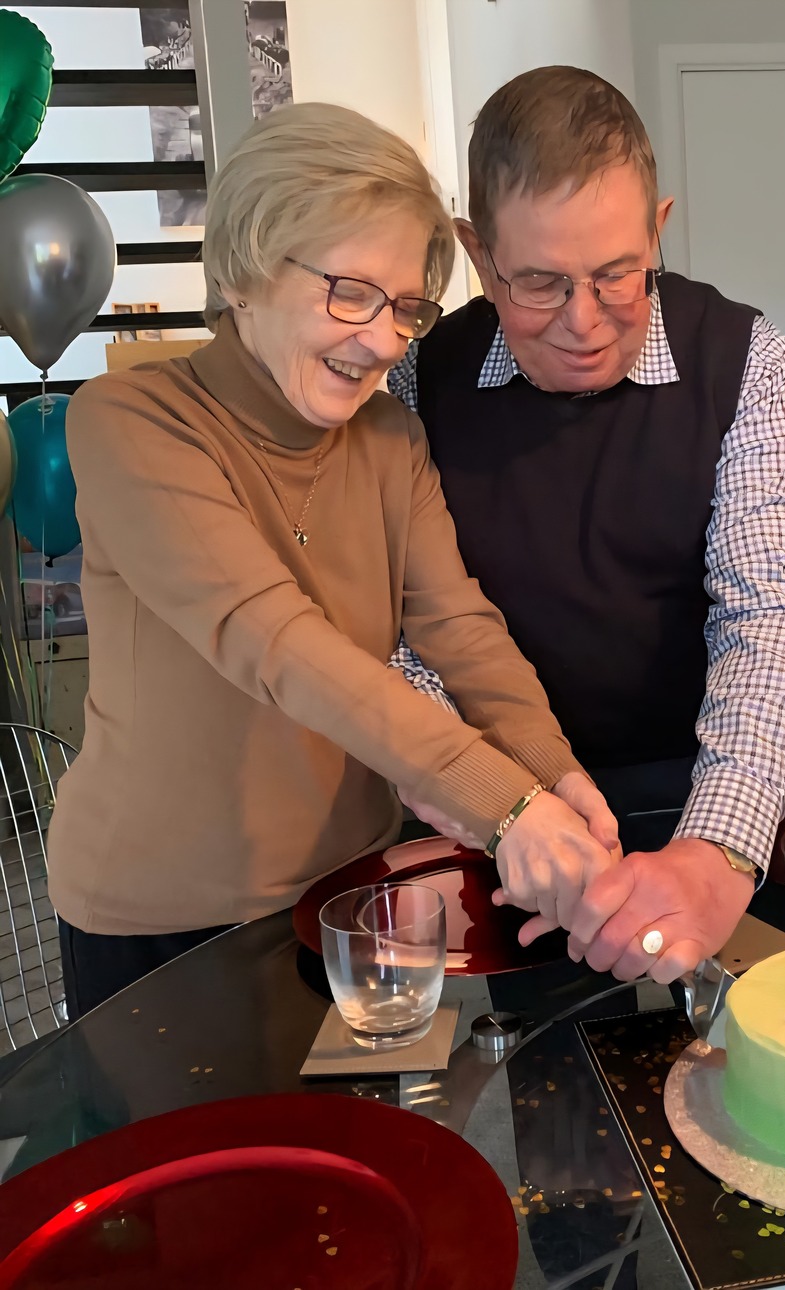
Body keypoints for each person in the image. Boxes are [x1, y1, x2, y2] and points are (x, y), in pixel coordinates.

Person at [47, 101, 619, 1020]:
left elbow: (461, 630)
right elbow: (275, 643)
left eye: (407, 308)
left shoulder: (388, 436)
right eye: (350, 293)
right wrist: (507, 804)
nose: (383, 340)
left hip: (356, 895)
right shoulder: (130, 424)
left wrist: (557, 777)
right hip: (159, 919)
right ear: (245, 270)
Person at [389, 67, 785, 984]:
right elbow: (394, 638)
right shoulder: (413, 385)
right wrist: (505, 807)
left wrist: (717, 848)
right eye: (542, 284)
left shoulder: (747, 362)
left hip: (700, 801)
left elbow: (775, 621)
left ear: (658, 230)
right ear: (479, 255)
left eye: (617, 275)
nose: (583, 323)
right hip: (493, 826)